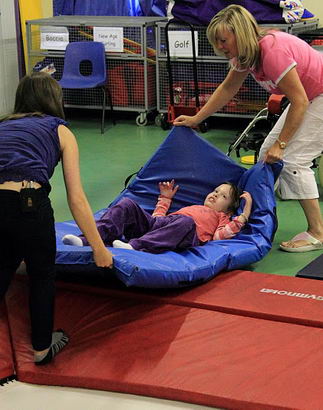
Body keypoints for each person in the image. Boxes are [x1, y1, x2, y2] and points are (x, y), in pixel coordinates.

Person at [173, 4, 323, 253]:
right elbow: (228, 88)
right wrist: (196, 118)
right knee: (267, 155)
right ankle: (254, 216)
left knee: (293, 160)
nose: (220, 46)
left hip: (316, 97)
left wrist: (282, 143)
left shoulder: (273, 51)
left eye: (223, 40)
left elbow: (299, 102)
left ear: (239, 34)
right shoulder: (245, 55)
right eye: (216, 41)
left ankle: (317, 231)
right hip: (310, 96)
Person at [0, 72, 113, 365]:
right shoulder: (60, 130)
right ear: (54, 101)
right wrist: (98, 248)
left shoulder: (2, 125)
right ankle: (41, 347)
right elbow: (76, 198)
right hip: (28, 202)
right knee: (42, 275)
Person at [63, 180, 252, 253]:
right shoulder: (192, 207)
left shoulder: (221, 217)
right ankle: (89, 238)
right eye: (215, 190)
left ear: (228, 210)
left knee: (185, 222)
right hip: (161, 226)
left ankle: (136, 246)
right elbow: (158, 219)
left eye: (223, 196)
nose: (215, 194)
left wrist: (244, 215)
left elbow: (221, 235)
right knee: (127, 204)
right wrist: (165, 198)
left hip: (185, 234)